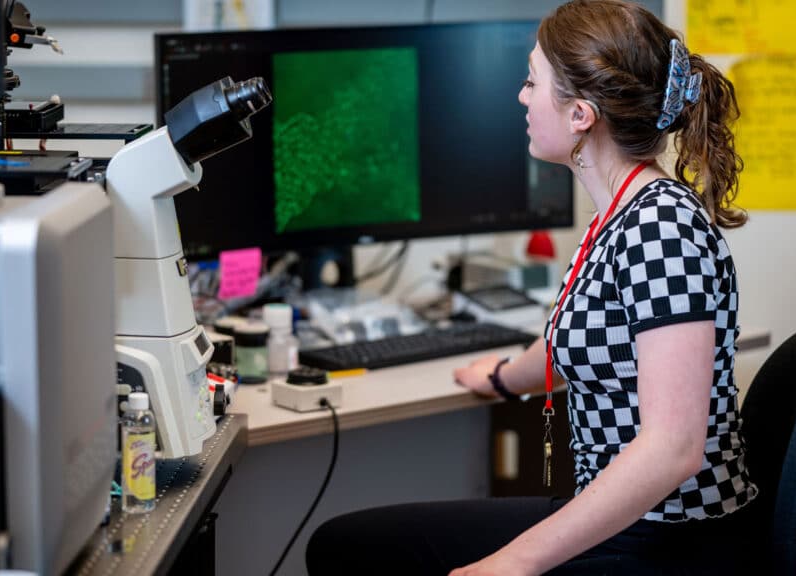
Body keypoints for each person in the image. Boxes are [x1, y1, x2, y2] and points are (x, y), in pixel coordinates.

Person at [305, 1, 758, 574]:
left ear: (580, 116)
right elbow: (583, 341)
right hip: (628, 521)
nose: (521, 96)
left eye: (532, 81)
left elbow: (673, 449)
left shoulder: (660, 228)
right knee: (345, 544)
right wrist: (500, 379)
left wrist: (512, 563)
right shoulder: (619, 211)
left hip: (669, 541)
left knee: (361, 553)